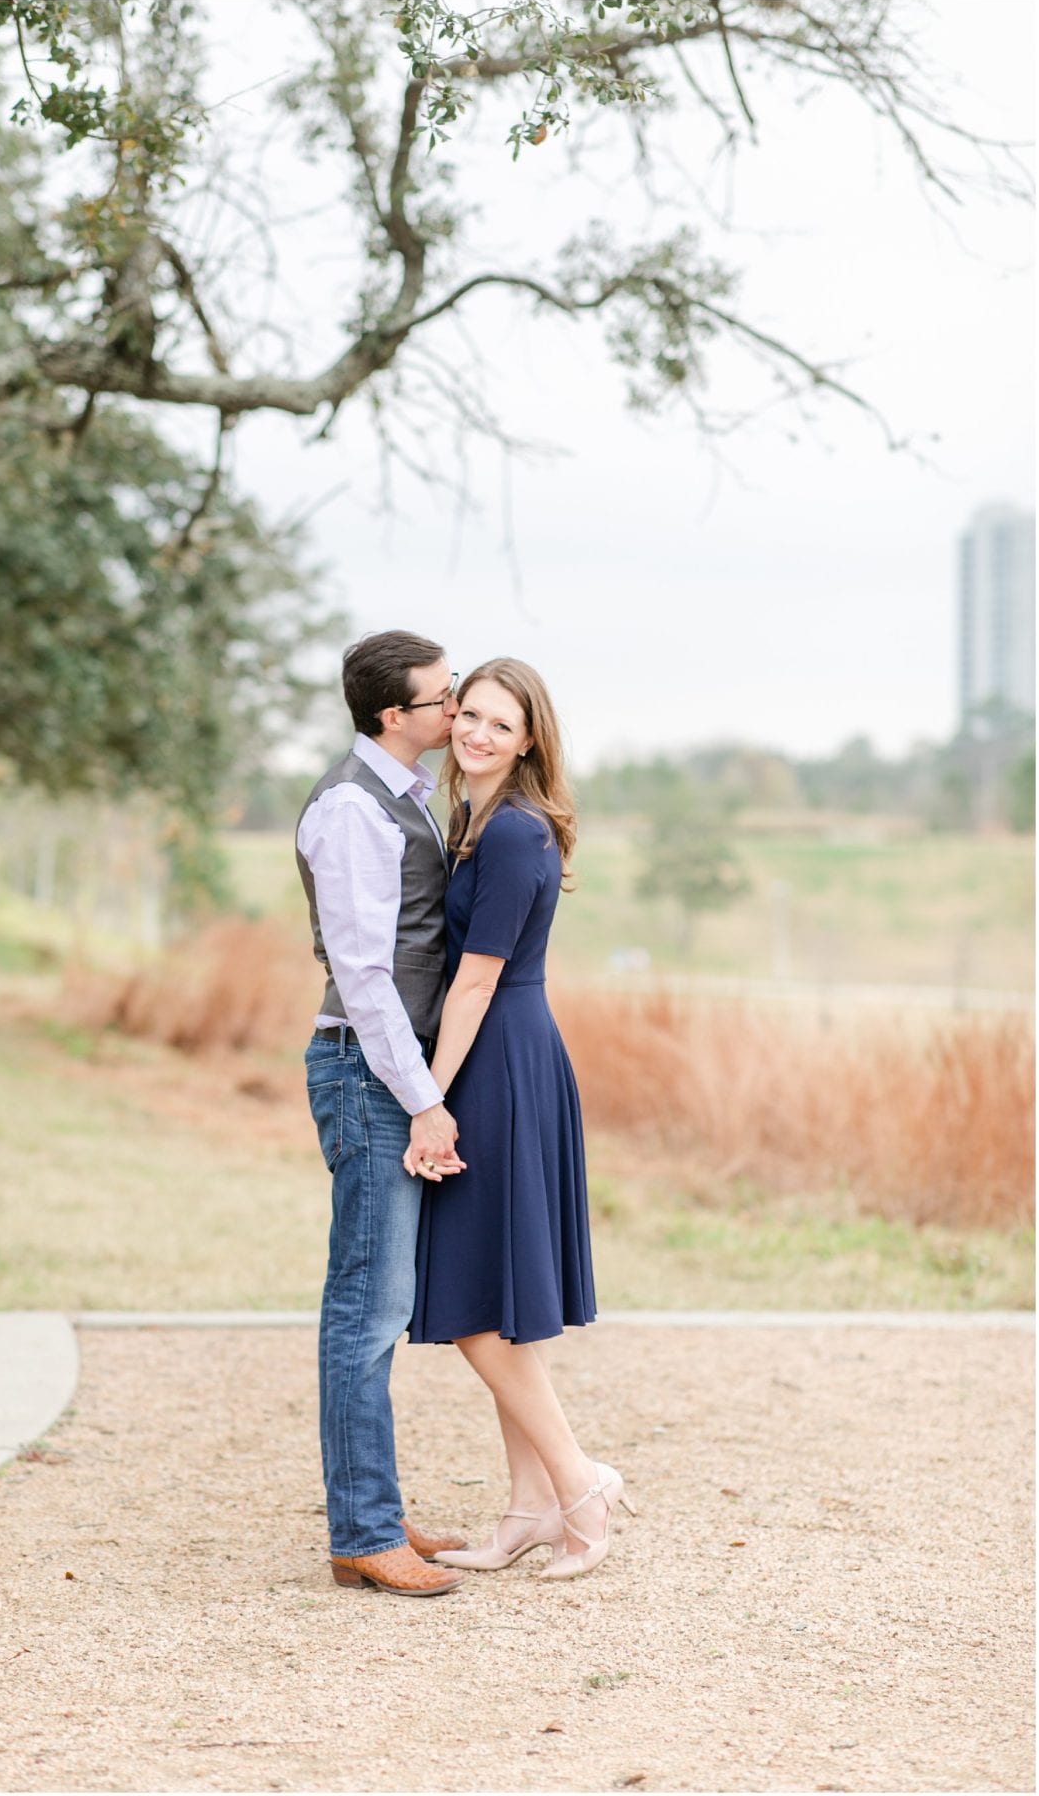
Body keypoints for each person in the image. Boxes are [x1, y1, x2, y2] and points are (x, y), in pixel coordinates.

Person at [408, 658, 634, 1580]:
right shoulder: (477, 821)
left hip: (496, 1062)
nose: (477, 735)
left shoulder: (510, 836)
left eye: (502, 725)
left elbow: (477, 976)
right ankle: (528, 1512)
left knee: (473, 1309)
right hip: (506, 1054)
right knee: (498, 1300)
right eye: (470, 717)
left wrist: (430, 1100)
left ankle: (580, 1488)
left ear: (530, 738)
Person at [296, 631, 470, 1598]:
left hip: (378, 1071)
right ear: (392, 717)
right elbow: (365, 979)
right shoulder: (352, 811)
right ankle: (363, 1531)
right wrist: (426, 1102)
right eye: (443, 699)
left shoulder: (398, 797)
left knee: (380, 1304)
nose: (457, 710)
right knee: (366, 1309)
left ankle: (376, 1509)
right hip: (369, 1072)